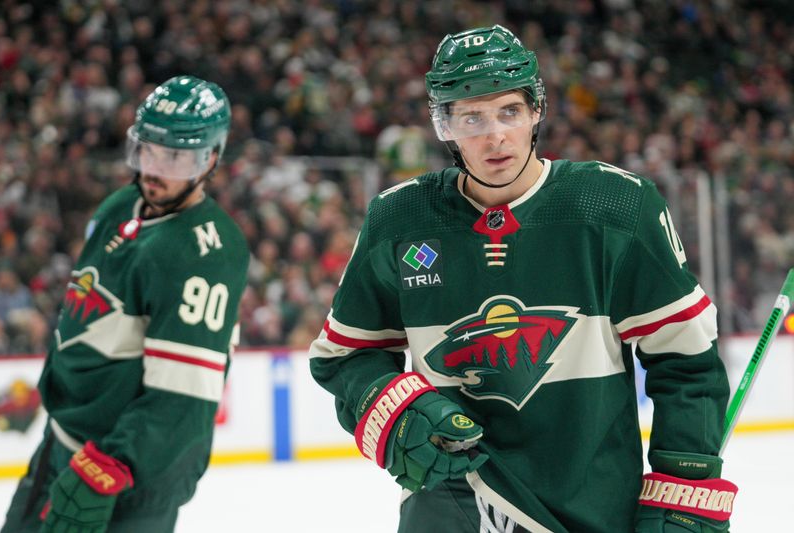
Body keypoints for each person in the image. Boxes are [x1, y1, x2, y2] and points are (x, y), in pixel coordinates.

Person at [309, 25, 736, 533]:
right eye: (471, 117)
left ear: (536, 110)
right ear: (444, 126)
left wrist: (683, 485)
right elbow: (347, 354)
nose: (494, 136)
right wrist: (393, 409)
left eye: (509, 111)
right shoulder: (400, 220)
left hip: (590, 509)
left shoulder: (616, 209)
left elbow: (686, 360)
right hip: (455, 505)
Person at [2, 75, 249, 532]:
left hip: (126, 475)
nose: (155, 170)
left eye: (176, 157)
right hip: (61, 445)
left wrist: (106, 471)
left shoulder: (208, 252)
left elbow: (182, 400)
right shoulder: (118, 206)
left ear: (211, 158)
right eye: (148, 151)